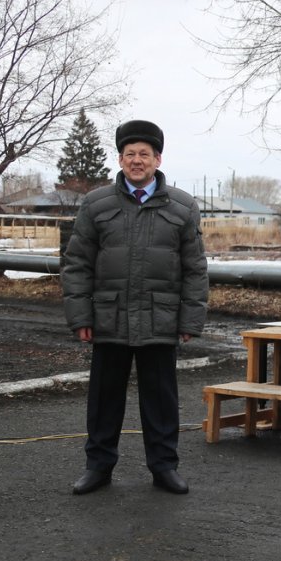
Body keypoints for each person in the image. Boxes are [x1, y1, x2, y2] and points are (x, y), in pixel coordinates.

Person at [62, 120, 209, 495]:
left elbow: (195, 269)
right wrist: (80, 316)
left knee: (160, 400)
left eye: (145, 154)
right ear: (121, 159)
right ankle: (98, 467)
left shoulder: (182, 207)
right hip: (108, 318)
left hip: (160, 318)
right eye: (131, 154)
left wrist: (190, 319)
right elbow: (77, 264)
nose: (137, 161)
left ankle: (164, 467)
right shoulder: (96, 204)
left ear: (158, 159)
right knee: (103, 400)